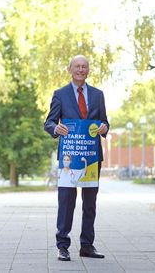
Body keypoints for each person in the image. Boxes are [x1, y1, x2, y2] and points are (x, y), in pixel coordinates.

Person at [44, 55, 109, 261]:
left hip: (91, 156)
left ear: (88, 70)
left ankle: (87, 245)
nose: (81, 69)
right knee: (66, 201)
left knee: (90, 202)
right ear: (70, 69)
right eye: (77, 66)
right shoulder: (60, 94)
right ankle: (62, 245)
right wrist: (56, 128)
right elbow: (49, 122)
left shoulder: (98, 95)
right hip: (69, 157)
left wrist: (104, 127)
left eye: (84, 66)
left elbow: (105, 122)